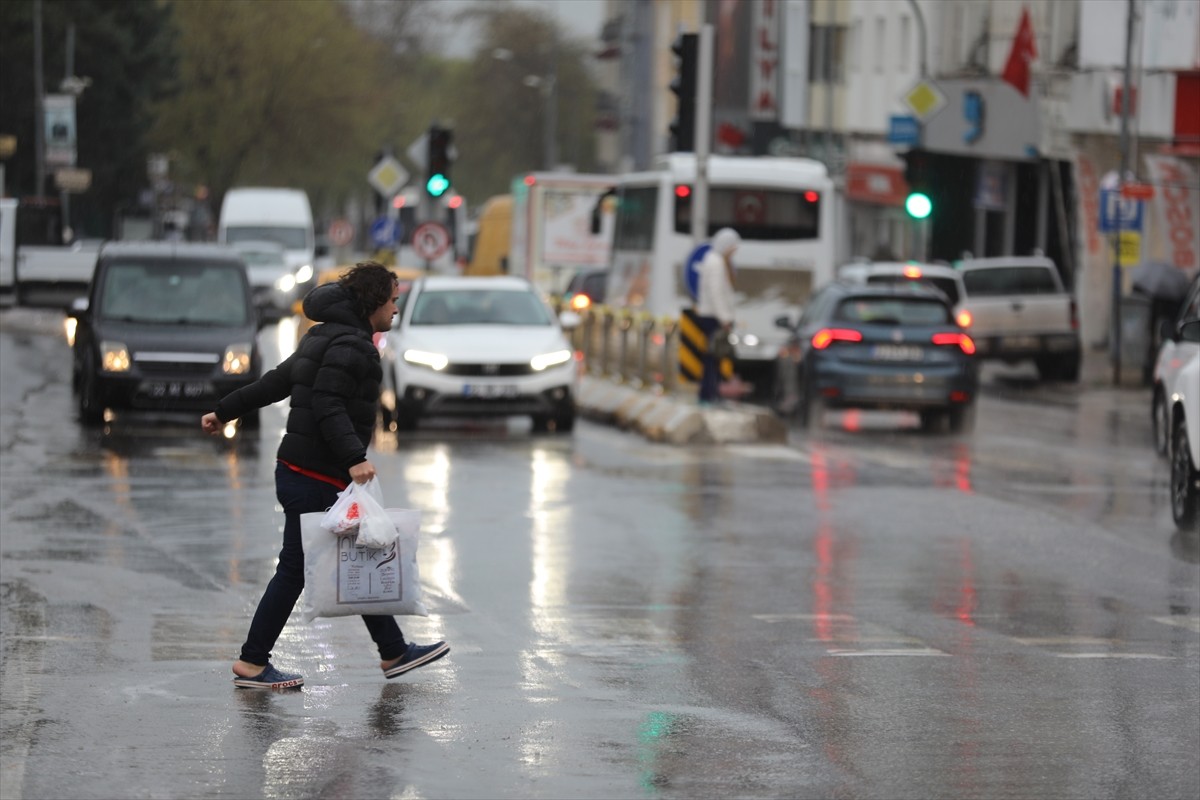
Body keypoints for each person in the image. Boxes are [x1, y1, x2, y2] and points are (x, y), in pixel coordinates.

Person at [201, 262, 449, 690]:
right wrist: (354, 456)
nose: (396, 307)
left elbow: (278, 382)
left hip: (301, 470)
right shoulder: (354, 346)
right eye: (391, 299)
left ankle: (392, 651)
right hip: (314, 473)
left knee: (358, 553)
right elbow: (328, 405)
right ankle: (253, 661)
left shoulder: (322, 335)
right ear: (373, 302)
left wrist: (225, 410)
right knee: (298, 569)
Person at [695, 227, 741, 404]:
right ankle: (708, 394)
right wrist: (725, 319)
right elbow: (716, 293)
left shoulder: (715, 260)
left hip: (713, 316)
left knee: (713, 358)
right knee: (713, 358)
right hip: (712, 317)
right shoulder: (716, 262)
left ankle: (711, 392)